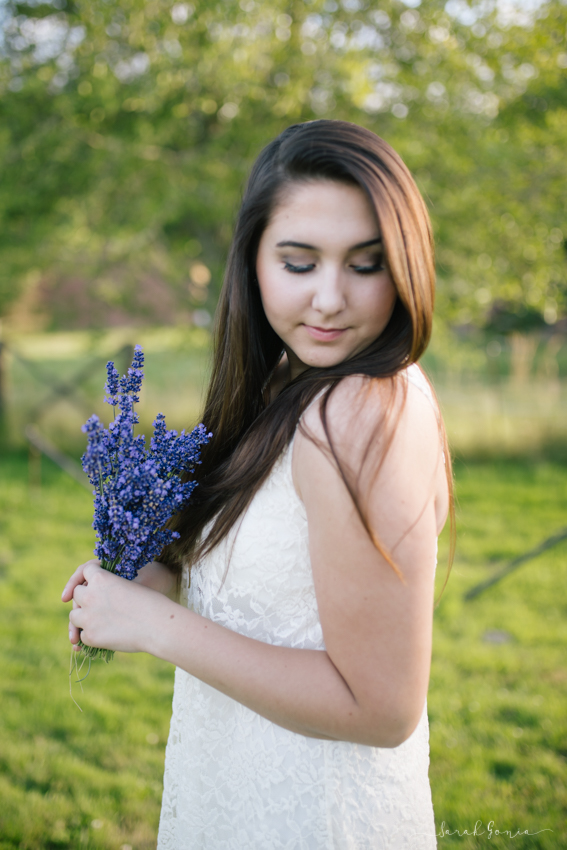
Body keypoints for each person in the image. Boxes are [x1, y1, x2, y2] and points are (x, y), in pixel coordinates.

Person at [63, 120, 453, 849]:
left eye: (365, 264)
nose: (330, 300)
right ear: (252, 263)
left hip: (314, 819)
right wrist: (157, 581)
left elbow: (381, 707)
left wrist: (155, 628)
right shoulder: (291, 383)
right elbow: (279, 599)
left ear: (404, 263)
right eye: (299, 263)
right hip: (242, 794)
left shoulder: (359, 413)